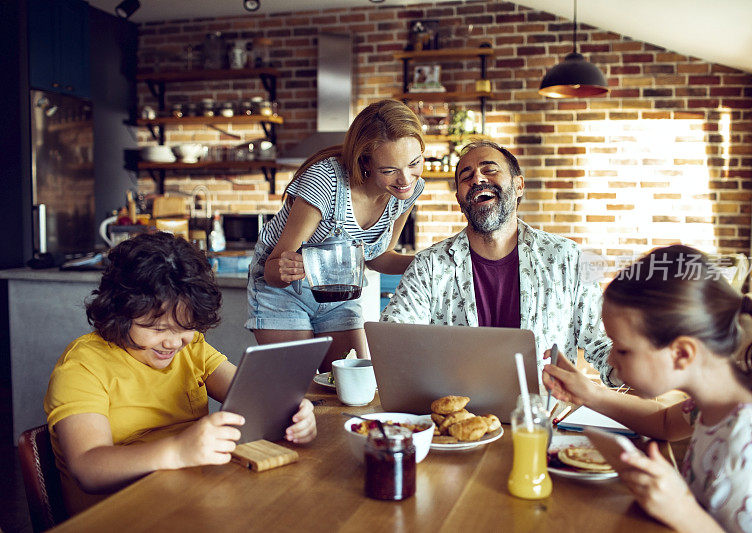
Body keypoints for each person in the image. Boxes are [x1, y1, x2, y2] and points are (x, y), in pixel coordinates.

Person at [44, 232, 317, 515]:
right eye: (157, 329)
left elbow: (256, 397)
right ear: (119, 312)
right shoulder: (83, 365)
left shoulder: (191, 348)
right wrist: (177, 451)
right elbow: (88, 467)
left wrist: (293, 412)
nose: (173, 343)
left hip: (191, 499)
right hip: (121, 517)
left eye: (185, 327)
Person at [543, 244, 752, 533]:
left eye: (623, 350)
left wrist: (683, 512)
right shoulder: (715, 401)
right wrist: (588, 393)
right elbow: (664, 422)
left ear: (681, 354)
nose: (611, 359)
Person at [380, 140, 614, 383]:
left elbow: (601, 343)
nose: (478, 179)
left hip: (543, 415)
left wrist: (631, 368)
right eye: (466, 176)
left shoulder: (567, 257)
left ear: (518, 185)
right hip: (459, 415)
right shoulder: (429, 265)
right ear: (459, 200)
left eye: (490, 170)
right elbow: (393, 338)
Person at [247, 99, 425, 372]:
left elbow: (378, 258)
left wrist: (429, 260)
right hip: (283, 293)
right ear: (365, 162)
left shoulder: (408, 190)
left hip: (339, 294)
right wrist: (288, 267)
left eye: (414, 163)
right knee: (298, 393)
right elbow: (273, 270)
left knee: (348, 386)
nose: (405, 179)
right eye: (389, 170)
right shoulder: (325, 181)